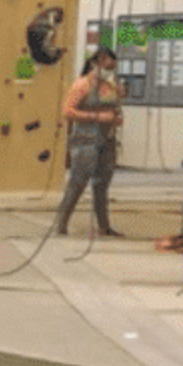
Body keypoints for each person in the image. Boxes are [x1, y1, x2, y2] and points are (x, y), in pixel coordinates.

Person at [54, 47, 123, 236]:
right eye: (108, 66)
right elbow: (68, 111)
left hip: (107, 140)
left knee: (102, 185)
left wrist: (116, 117)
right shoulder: (82, 85)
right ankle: (61, 224)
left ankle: (104, 226)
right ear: (97, 62)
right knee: (77, 183)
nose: (111, 70)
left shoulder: (109, 87)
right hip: (85, 140)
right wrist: (97, 117)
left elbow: (114, 108)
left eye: (113, 67)